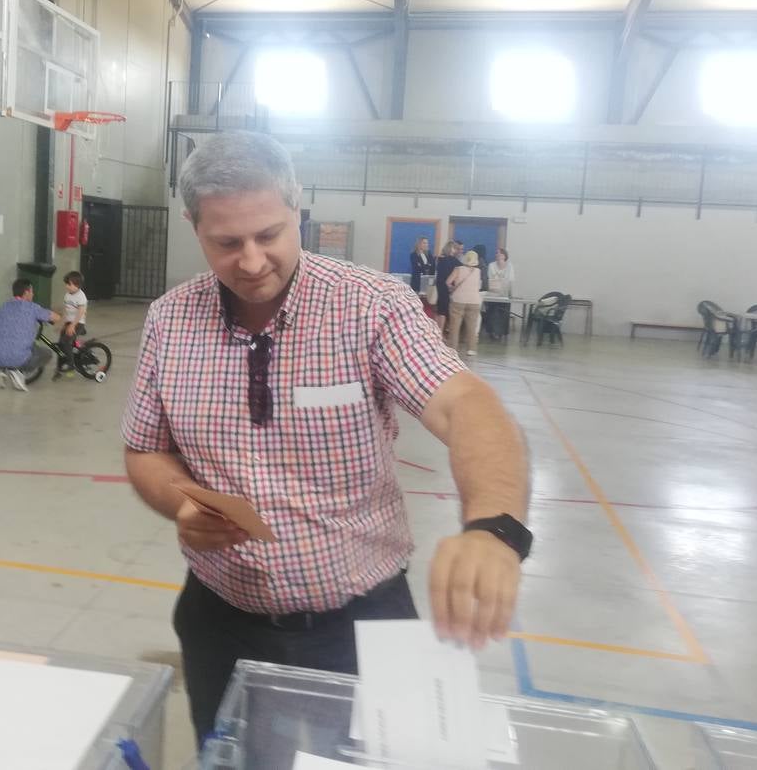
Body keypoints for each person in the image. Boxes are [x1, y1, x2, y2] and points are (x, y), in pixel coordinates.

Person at [122, 131, 531, 744]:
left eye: (269, 235)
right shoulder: (170, 320)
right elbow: (146, 449)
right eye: (226, 243)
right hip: (219, 621)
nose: (252, 262)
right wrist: (180, 502)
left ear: (298, 210)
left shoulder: (370, 307)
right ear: (194, 227)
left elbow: (466, 406)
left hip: (361, 626)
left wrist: (494, 528)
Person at [0, 278, 60, 392]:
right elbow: (55, 317)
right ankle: (17, 371)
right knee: (47, 354)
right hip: (18, 357)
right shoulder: (32, 308)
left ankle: (1, 371)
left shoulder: (3, 307)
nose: (33, 294)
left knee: (2, 344)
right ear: (26, 293)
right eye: (32, 291)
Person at [447, 251, 484, 356]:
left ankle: (453, 348)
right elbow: (478, 286)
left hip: (458, 300)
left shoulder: (458, 269)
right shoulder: (478, 271)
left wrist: (452, 288)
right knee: (472, 326)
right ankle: (471, 349)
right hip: (474, 301)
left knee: (455, 326)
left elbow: (448, 282)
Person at [55, 271, 89, 379]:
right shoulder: (67, 295)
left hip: (78, 323)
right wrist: (63, 324)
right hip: (69, 322)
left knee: (66, 342)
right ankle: (60, 366)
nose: (67, 286)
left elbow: (81, 312)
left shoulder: (81, 296)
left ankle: (71, 365)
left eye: (69, 284)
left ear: (77, 285)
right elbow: (66, 311)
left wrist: (73, 325)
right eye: (66, 284)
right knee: (60, 344)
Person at [484, 248, 514, 340]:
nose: (497, 255)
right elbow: (491, 278)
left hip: (505, 293)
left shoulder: (509, 266)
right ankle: (492, 331)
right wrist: (501, 280)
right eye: (496, 253)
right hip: (493, 293)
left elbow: (510, 280)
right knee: (493, 311)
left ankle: (501, 332)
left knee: (503, 312)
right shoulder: (491, 265)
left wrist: (510, 293)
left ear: (504, 256)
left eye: (499, 253)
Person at [433, 240, 463, 332]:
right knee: (444, 311)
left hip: (439, 286)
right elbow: (463, 268)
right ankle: (441, 333)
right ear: (451, 249)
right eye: (455, 248)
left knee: (439, 310)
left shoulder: (439, 259)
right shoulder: (453, 260)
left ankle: (437, 331)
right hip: (447, 287)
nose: (456, 250)